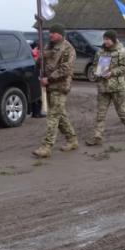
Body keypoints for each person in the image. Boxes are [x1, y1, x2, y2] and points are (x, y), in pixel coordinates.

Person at [32, 24, 78, 158]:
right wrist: (39, 60)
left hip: (60, 86)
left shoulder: (68, 49)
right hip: (49, 86)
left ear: (60, 34)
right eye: (50, 32)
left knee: (53, 116)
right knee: (60, 115)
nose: (50, 34)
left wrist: (50, 78)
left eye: (54, 33)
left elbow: (66, 69)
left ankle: (46, 147)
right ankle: (72, 140)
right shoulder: (48, 46)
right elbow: (42, 63)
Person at [86, 30, 125, 145]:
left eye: (107, 39)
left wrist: (112, 73)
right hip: (103, 87)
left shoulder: (122, 51)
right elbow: (94, 65)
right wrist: (95, 72)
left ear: (113, 40)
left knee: (121, 111)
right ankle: (97, 137)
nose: (105, 41)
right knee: (100, 113)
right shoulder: (100, 52)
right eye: (104, 39)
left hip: (117, 88)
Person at [30, 41, 46, 119]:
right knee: (38, 95)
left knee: (34, 95)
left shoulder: (31, 53)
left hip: (32, 76)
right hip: (36, 75)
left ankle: (34, 112)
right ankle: (37, 113)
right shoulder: (37, 54)